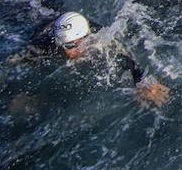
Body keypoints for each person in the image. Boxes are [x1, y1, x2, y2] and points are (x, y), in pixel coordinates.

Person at [12, 11, 167, 106]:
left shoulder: (97, 35)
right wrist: (18, 93)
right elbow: (9, 65)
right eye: (64, 46)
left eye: (73, 45)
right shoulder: (44, 45)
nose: (67, 53)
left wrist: (142, 82)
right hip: (31, 18)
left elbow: (125, 55)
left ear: (86, 38)